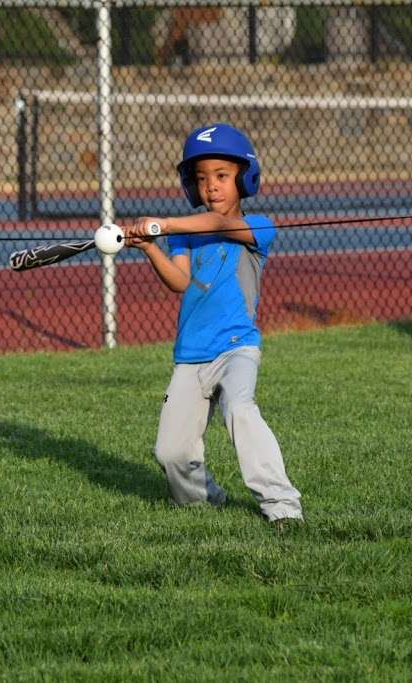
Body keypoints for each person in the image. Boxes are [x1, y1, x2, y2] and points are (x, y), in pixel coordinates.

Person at [124, 123, 304, 528]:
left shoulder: (259, 227)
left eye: (222, 177)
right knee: (170, 453)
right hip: (191, 353)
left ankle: (283, 507)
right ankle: (202, 504)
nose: (212, 188)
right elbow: (180, 282)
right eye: (202, 179)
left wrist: (163, 225)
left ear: (245, 178)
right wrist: (151, 247)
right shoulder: (185, 238)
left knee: (240, 408)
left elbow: (220, 226)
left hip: (237, 346)